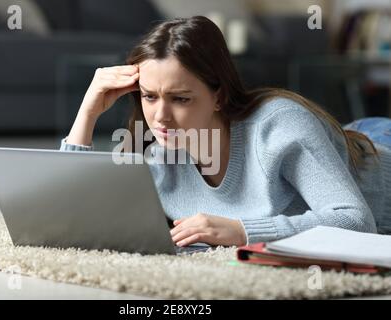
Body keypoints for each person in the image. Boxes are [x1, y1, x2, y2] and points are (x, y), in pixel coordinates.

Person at [60, 16, 391, 247]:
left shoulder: (279, 126)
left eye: (180, 99)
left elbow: (358, 221)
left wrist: (242, 230)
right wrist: (86, 114)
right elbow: (70, 220)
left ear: (218, 95)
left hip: (376, 152)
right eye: (149, 96)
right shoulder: (150, 147)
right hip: (344, 140)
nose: (160, 116)